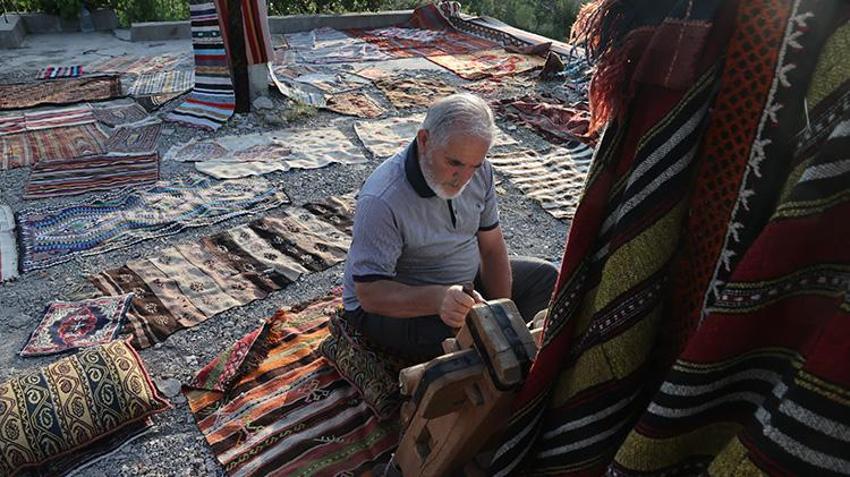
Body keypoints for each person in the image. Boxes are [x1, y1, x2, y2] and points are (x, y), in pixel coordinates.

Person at [342, 93, 558, 362]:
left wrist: (502, 310)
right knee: (467, 338)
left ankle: (501, 349)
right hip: (396, 304)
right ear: (424, 141)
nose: (464, 179)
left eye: (474, 166)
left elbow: (491, 247)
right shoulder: (383, 199)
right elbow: (370, 294)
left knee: (548, 278)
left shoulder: (481, 172)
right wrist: (439, 299)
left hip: (462, 287)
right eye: (454, 163)